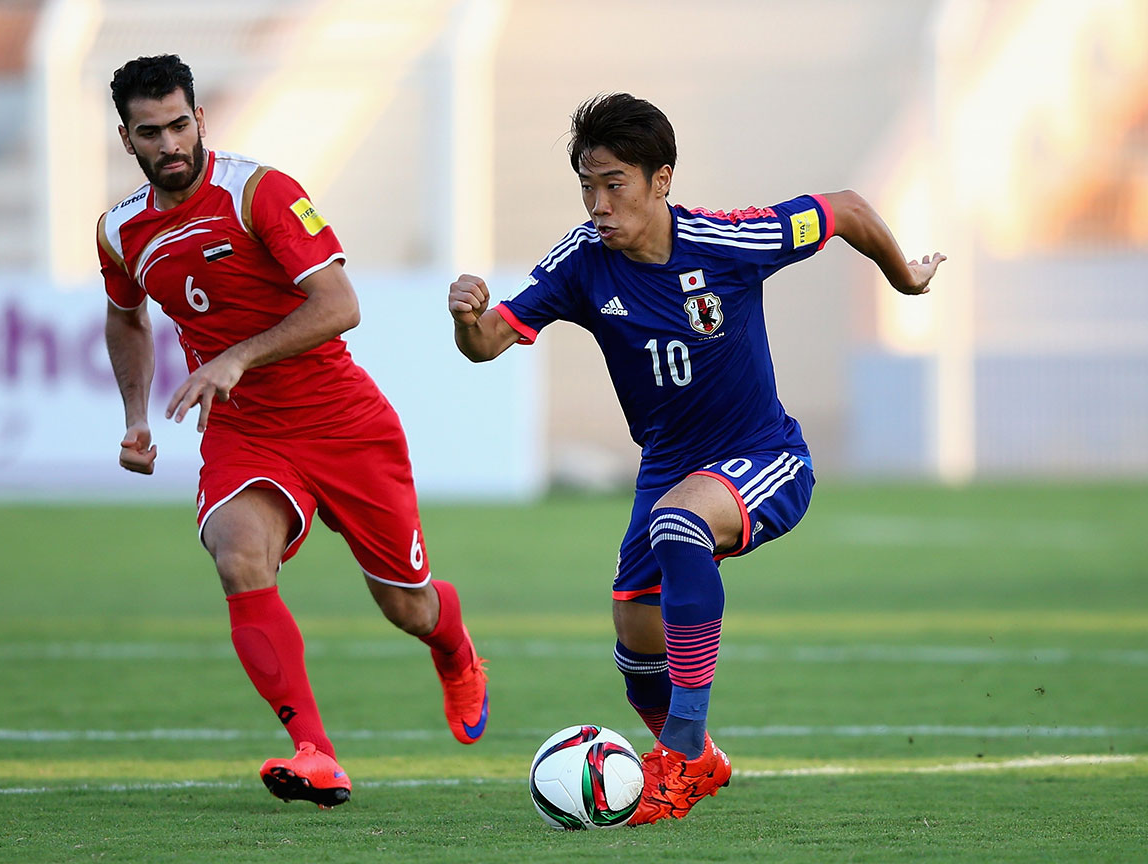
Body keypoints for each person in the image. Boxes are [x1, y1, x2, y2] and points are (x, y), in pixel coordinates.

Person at [448, 93, 943, 826]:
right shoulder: (583, 263)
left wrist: (903, 275)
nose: (598, 204)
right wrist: (466, 321)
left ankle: (677, 754)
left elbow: (844, 208)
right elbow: (489, 342)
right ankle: (698, 759)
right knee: (633, 634)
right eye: (587, 186)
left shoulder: (731, 241)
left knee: (679, 528)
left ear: (662, 180)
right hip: (669, 469)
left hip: (763, 455)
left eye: (614, 184)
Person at [97, 54, 489, 809]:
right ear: (128, 140)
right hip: (245, 434)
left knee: (407, 605)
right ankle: (315, 752)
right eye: (152, 133)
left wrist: (236, 357)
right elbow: (125, 316)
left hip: (343, 423)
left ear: (201, 119)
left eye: (181, 125)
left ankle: (455, 649)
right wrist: (136, 417)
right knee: (238, 556)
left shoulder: (260, 192)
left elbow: (340, 304)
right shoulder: (120, 231)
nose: (170, 143)